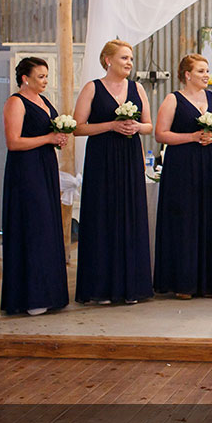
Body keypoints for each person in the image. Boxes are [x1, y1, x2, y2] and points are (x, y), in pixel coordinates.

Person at [73, 40, 154, 305]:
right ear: (107, 60)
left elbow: (149, 125)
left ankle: (131, 286)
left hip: (129, 157)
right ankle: (101, 288)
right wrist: (110, 125)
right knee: (102, 217)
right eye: (124, 58)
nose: (129, 62)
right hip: (102, 159)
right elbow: (78, 127)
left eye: (130, 58)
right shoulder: (92, 88)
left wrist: (136, 128)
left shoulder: (137, 88)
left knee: (129, 216)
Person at [153, 54, 212, 299]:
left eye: (207, 70)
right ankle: (182, 283)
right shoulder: (173, 99)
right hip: (181, 165)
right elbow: (160, 134)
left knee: (208, 216)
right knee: (184, 220)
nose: (206, 75)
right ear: (187, 75)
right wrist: (191, 137)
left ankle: (209, 281)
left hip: (207, 163)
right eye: (201, 71)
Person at [1, 57, 70, 316]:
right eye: (40, 76)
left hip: (45, 166)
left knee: (48, 226)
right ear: (25, 78)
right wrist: (48, 138)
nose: (44, 81)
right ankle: (30, 296)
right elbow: (13, 142)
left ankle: (50, 293)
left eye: (46, 76)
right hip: (26, 170)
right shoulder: (15, 102)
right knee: (33, 227)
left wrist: (57, 140)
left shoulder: (43, 101)